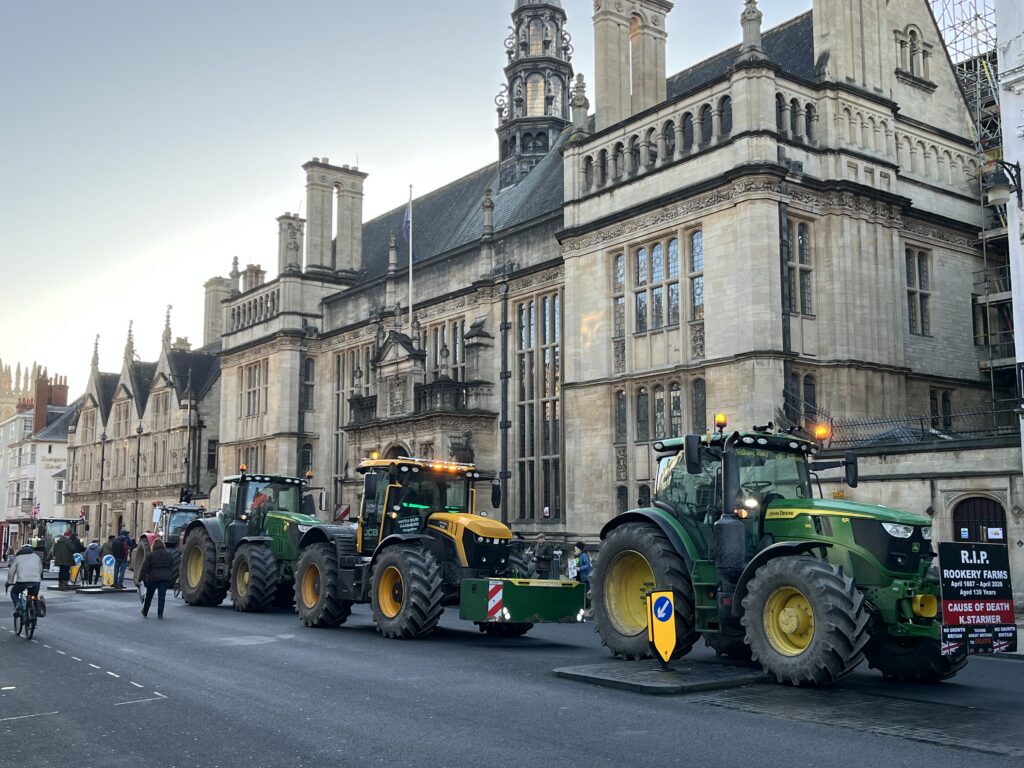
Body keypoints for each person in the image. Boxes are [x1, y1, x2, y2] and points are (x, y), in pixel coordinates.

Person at [139, 538, 174, 619]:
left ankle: (145, 611)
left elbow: (145, 568)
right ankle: (160, 614)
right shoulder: (169, 554)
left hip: (153, 578)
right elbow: (172, 565)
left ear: (154, 546)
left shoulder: (151, 555)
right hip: (165, 578)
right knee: (162, 597)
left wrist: (141, 578)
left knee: (149, 597)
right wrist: (170, 576)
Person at [5, 544, 43, 613]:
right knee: (33, 596)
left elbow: (11, 572)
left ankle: (17, 604)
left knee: (14, 593)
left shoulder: (18, 558)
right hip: (35, 582)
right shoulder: (36, 557)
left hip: (22, 582)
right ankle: (35, 609)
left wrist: (9, 582)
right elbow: (40, 570)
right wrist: (38, 578)